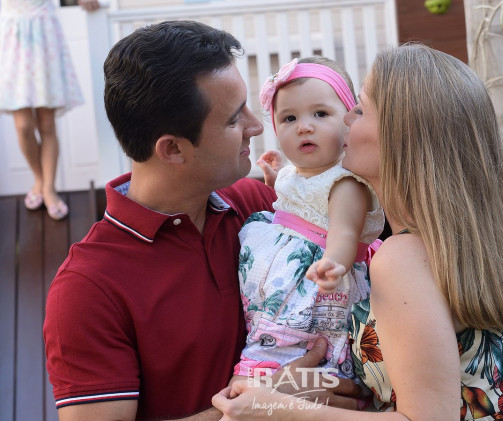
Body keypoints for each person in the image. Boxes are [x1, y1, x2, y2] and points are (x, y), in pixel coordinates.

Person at [212, 44, 503, 421]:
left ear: (402, 135)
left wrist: (273, 407)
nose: (347, 117)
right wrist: (306, 387)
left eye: (360, 109)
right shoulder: (443, 243)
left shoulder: (403, 258)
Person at [43, 21, 362, 421]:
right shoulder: (88, 289)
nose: (256, 126)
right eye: (233, 119)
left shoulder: (261, 209)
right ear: (173, 149)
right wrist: (265, 404)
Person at [232, 57, 384, 380]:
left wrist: (334, 263)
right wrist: (275, 180)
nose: (304, 126)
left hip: (317, 280)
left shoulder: (345, 184)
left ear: (348, 120)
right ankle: (265, 358)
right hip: (282, 280)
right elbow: (299, 204)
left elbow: (344, 232)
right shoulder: (295, 173)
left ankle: (285, 364)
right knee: (271, 324)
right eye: (289, 118)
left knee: (308, 336)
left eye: (320, 114)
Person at [0, 0, 84, 220]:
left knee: (47, 124)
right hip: (12, 35)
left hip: (44, 33)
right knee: (23, 126)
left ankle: (48, 187)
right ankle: (38, 178)